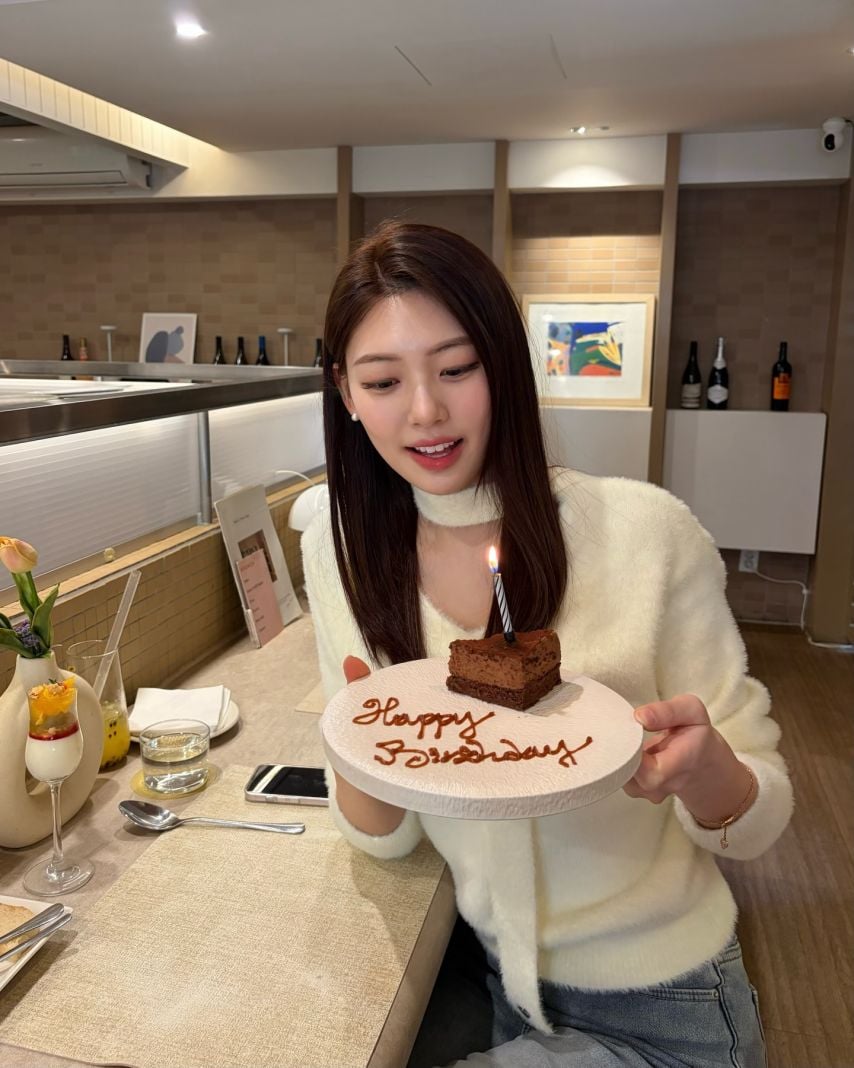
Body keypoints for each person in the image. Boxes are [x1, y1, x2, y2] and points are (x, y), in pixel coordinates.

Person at [302, 221, 793, 1067]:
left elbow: (759, 820)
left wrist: (707, 771)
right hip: (487, 972)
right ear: (345, 391)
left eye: (457, 368)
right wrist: (360, 749)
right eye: (383, 381)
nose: (425, 411)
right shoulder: (336, 551)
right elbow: (386, 840)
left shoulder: (646, 533)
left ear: (505, 366)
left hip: (661, 1003)